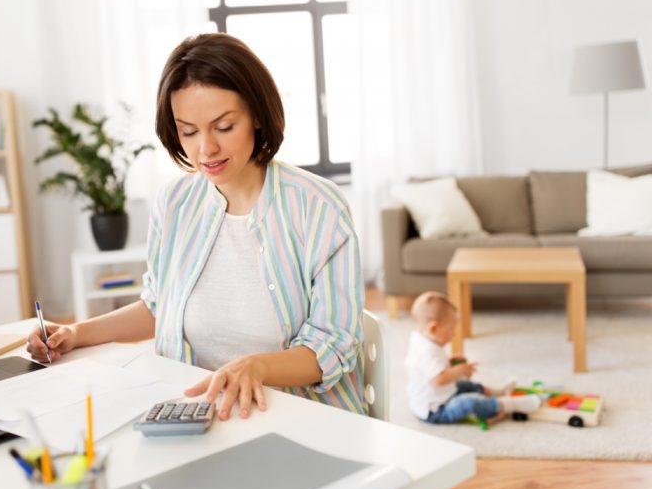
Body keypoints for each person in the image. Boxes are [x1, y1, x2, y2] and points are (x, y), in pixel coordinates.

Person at [27, 33, 366, 420]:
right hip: (200, 416)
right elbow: (158, 307)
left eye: (223, 126)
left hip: (302, 418)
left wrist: (257, 367)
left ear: (256, 114)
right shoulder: (175, 204)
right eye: (188, 131)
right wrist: (74, 334)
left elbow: (335, 343)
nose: (205, 149)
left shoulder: (317, 207)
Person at [404, 291, 541, 424]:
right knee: (468, 402)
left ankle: (498, 392)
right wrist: (459, 371)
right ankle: (506, 405)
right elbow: (439, 379)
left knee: (466, 385)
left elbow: (433, 368)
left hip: (443, 393)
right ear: (433, 329)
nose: (454, 334)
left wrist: (449, 363)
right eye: (451, 329)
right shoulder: (425, 351)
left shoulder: (424, 339)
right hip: (435, 409)